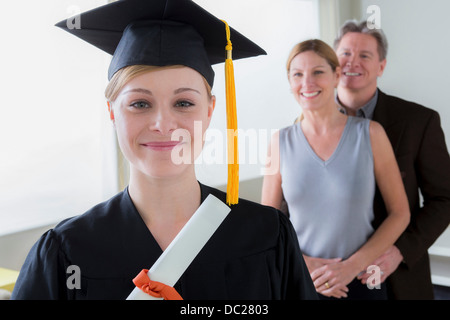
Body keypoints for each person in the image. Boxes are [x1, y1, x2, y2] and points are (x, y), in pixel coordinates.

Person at [11, 0, 317, 300]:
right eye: (140, 104)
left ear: (209, 110)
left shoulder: (267, 236)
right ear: (112, 112)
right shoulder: (65, 253)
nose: (162, 124)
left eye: (183, 103)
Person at [261, 39, 410, 299]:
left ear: (336, 75)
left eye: (318, 72)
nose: (307, 83)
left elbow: (400, 213)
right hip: (301, 279)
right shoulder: (279, 142)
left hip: (362, 280)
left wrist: (351, 267)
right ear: (290, 82)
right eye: (298, 74)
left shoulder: (371, 134)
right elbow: (268, 224)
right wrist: (305, 265)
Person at [334, 20, 450, 300]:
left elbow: (445, 199)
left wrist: (400, 250)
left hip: (393, 275)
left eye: (365, 55)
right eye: (346, 53)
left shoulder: (419, 121)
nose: (353, 62)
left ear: (381, 67)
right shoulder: (304, 124)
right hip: (328, 276)